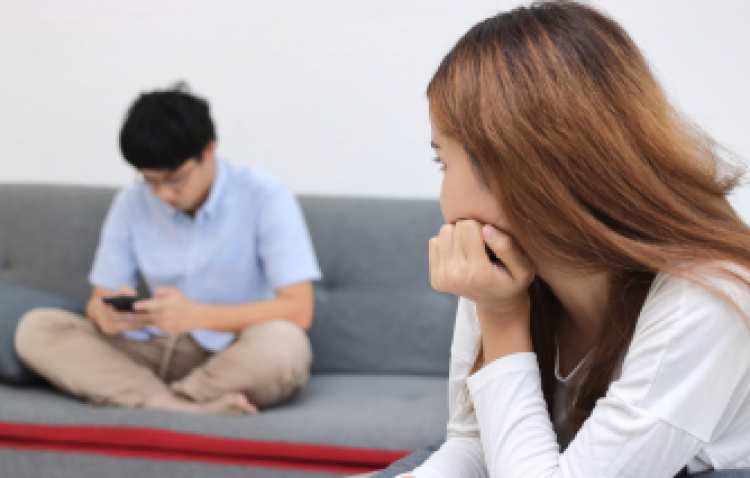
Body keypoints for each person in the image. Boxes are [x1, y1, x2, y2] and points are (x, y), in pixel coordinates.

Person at [390, 1, 750, 476]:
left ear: (520, 169)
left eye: (443, 161)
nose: (444, 199)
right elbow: (474, 444)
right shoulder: (501, 261)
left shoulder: (709, 294)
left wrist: (502, 318)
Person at [15, 84, 322, 415]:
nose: (163, 194)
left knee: (285, 345)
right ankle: (180, 405)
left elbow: (298, 310)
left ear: (209, 150)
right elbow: (100, 297)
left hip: (232, 351)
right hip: (150, 347)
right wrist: (104, 314)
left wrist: (197, 316)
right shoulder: (130, 203)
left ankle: (158, 399)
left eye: (176, 180)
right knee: (37, 329)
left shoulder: (265, 195)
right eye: (150, 181)